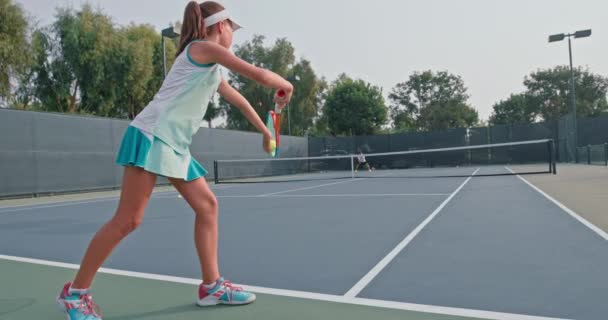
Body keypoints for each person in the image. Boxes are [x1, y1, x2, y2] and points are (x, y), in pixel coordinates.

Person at [56, 2, 293, 319]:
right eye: (231, 29)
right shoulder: (203, 48)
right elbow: (258, 75)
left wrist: (266, 131)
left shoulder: (211, 67)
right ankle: (75, 294)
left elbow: (238, 99)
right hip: (152, 135)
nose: (232, 36)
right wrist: (285, 85)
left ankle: (212, 287)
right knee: (128, 220)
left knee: (207, 206)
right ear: (221, 26)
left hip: (175, 144)